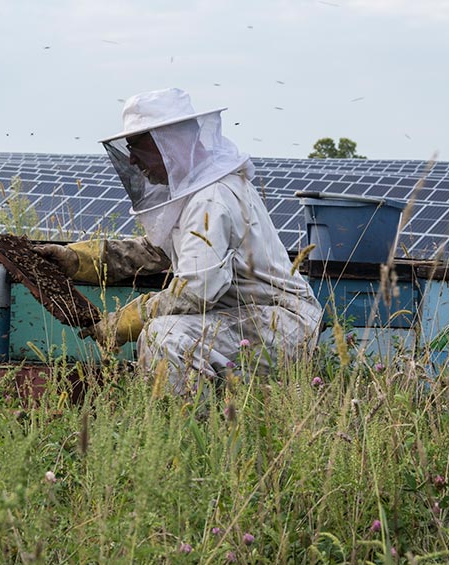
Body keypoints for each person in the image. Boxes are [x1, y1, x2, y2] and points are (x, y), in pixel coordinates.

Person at [35, 88, 322, 396]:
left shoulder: (211, 198)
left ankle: (188, 431)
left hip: (277, 321)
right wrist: (76, 260)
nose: (132, 159)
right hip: (246, 316)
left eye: (139, 148)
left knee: (165, 335)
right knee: (166, 333)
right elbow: (153, 251)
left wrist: (124, 320)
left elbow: (196, 290)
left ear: (171, 143)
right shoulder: (194, 192)